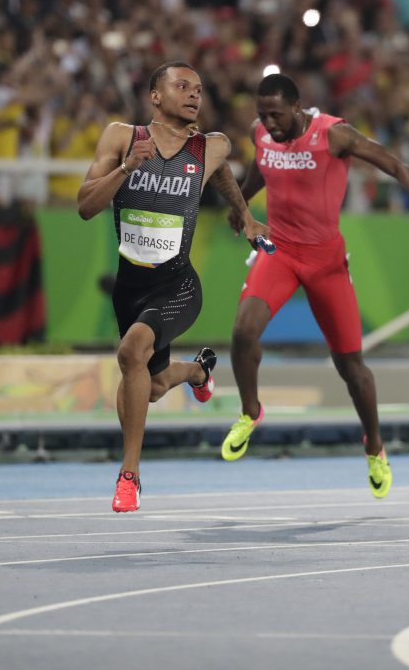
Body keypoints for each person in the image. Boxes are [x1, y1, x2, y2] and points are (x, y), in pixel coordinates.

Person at [220, 73, 409, 498]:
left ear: (298, 108)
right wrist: (241, 204)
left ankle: (375, 446)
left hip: (325, 263)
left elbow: (393, 163)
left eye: (277, 115)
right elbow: (258, 173)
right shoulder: (262, 134)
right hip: (279, 252)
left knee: (350, 367)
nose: (269, 123)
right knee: (243, 330)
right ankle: (251, 412)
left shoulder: (334, 135)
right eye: (262, 115)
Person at [78, 61, 269, 512]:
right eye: (182, 86)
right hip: (130, 287)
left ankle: (129, 476)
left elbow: (218, 171)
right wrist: (126, 169)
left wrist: (245, 217)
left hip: (178, 285)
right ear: (156, 96)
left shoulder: (212, 145)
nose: (193, 94)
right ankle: (197, 372)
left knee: (130, 352)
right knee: (156, 382)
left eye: (199, 89)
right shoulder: (121, 138)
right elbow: (86, 207)